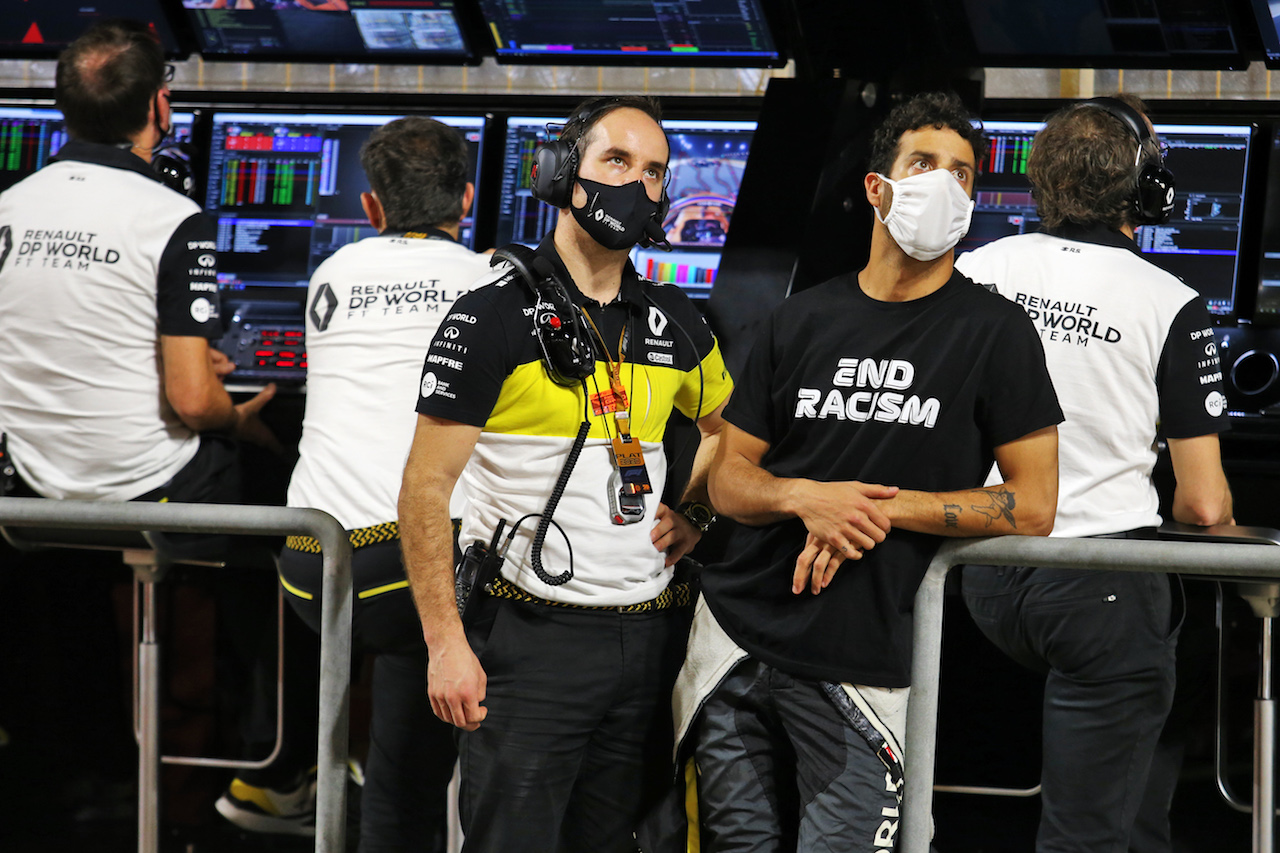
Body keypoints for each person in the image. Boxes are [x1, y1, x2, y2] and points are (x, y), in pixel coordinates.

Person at [676, 91, 1063, 851]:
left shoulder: (996, 333)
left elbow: (1034, 503)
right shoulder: (798, 319)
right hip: (733, 640)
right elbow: (730, 478)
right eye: (924, 164)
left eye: (961, 174)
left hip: (865, 659)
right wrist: (805, 497)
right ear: (876, 187)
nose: (944, 185)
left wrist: (874, 508)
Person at [398, 95, 733, 852]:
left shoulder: (677, 322)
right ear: (558, 173)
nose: (635, 184)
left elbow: (727, 433)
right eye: (616, 160)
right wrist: (445, 642)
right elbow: (424, 488)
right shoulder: (488, 317)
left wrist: (698, 512)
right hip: (527, 640)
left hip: (649, 641)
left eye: (653, 172)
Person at [954, 94, 1234, 852]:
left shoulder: (976, 268)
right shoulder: (1171, 302)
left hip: (980, 576)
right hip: (1098, 586)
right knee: (1090, 830)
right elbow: (1203, 503)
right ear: (1142, 192)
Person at [242, 117, 490, 850]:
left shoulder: (332, 273)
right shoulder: (492, 280)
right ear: (468, 198)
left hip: (307, 565)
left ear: (371, 208)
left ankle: (315, 774)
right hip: (407, 564)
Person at [0, 19, 276, 504]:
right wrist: (238, 420)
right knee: (274, 463)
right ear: (158, 107)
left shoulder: (9, 206)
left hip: (28, 482)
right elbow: (193, 402)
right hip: (147, 487)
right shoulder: (172, 218)